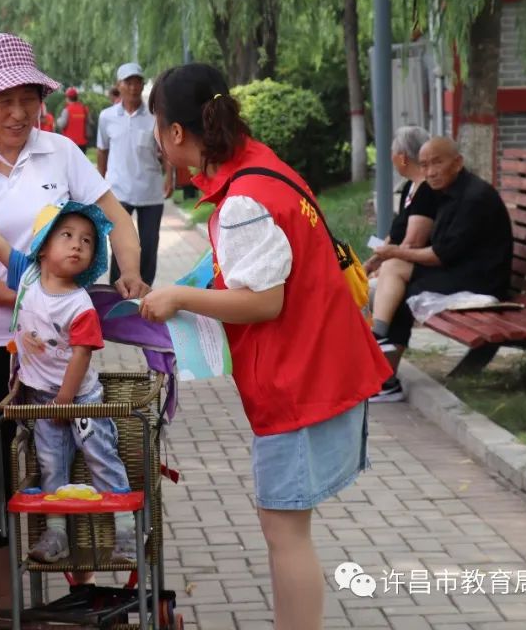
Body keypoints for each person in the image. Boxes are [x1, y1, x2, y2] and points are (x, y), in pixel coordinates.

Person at [138, 64, 391, 630]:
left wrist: (179, 296)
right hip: (320, 366)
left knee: (284, 532)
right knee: (285, 526)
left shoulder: (243, 201)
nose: (156, 140)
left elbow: (263, 302)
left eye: (157, 127)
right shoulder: (259, 163)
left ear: (177, 134)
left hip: (300, 380)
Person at [0, 33, 149, 610]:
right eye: (3, 101)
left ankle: (82, 589)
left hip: (62, 352)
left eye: (28, 97)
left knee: (73, 458)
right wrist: (24, 301)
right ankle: (8, 605)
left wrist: (132, 271)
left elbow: (117, 217)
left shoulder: (61, 152)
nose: (18, 112)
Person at [0, 190, 138, 563]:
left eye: (87, 241)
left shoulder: (79, 304)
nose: (77, 245)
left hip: (80, 399)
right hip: (40, 397)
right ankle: (56, 534)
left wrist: (65, 402)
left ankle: (124, 530)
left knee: (100, 455)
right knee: (50, 463)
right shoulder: (25, 277)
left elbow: (81, 355)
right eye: (67, 236)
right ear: (42, 248)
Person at [370, 136, 513, 374]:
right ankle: (380, 344)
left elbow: (440, 255)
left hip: (480, 281)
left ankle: (382, 364)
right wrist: (389, 255)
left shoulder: (473, 197)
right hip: (459, 270)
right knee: (395, 269)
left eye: (437, 163)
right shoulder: (446, 191)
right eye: (424, 165)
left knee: (402, 284)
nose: (430, 172)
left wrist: (394, 251)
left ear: (457, 162)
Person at [364, 125, 438, 402]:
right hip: (404, 266)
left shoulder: (427, 190)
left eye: (393, 153)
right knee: (376, 287)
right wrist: (371, 262)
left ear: (403, 157)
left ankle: (381, 367)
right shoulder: (410, 187)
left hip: (418, 267)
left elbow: (412, 243)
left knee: (380, 292)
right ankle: (384, 378)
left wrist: (384, 264)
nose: (391, 158)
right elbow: (394, 236)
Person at [96, 62, 173, 286]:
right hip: (118, 191)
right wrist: (100, 183)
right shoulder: (107, 117)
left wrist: (169, 177)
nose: (133, 86)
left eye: (137, 81)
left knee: (148, 245)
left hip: (150, 190)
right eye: (128, 82)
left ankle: (144, 292)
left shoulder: (155, 116)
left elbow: (167, 150)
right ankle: (115, 290)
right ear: (118, 86)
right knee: (121, 245)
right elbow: (102, 151)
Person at [56, 87, 91, 152]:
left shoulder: (67, 110)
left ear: (68, 98)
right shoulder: (84, 109)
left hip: (69, 143)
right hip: (82, 144)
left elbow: (62, 124)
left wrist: (58, 120)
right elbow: (88, 122)